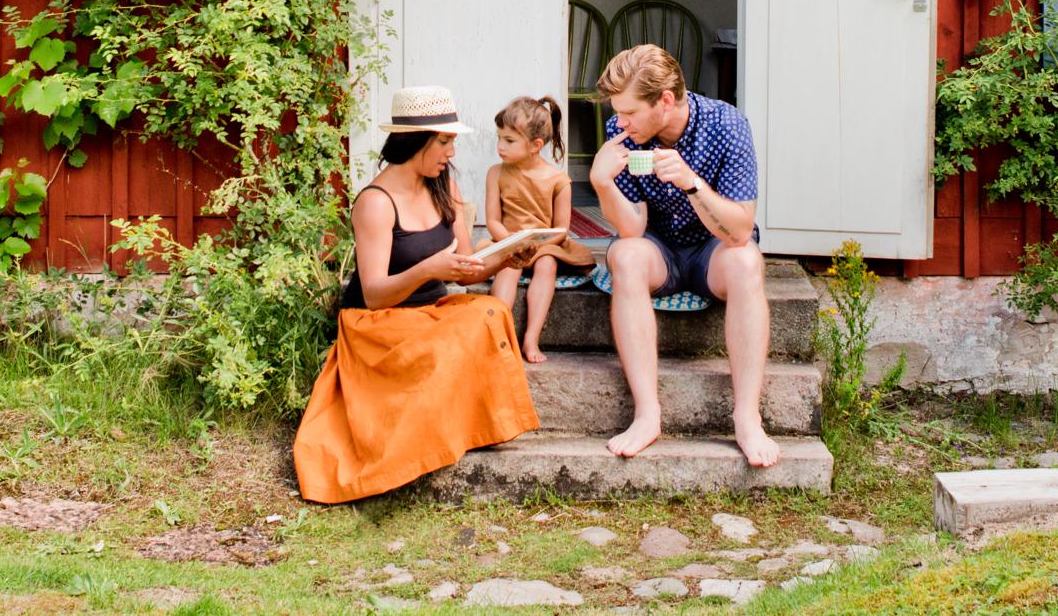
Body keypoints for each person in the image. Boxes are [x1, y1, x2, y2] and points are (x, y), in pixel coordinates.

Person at [292, 86, 540, 503]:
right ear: (416, 140)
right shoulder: (375, 201)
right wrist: (427, 269)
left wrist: (509, 259)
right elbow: (372, 295)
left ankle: (473, 427)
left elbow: (464, 269)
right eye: (444, 142)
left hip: (430, 310)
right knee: (449, 337)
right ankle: (429, 440)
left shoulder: (444, 188)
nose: (451, 153)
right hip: (378, 321)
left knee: (491, 312)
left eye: (451, 142)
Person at [587, 44, 776, 469]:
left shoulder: (726, 124)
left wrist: (692, 184)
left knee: (747, 260)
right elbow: (632, 228)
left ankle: (747, 418)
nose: (621, 121)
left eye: (631, 111)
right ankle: (647, 414)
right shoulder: (622, 130)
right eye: (618, 111)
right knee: (625, 256)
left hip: (715, 252)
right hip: (659, 250)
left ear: (666, 101)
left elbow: (740, 229)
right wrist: (602, 184)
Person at [483, 95, 595, 363]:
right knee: (509, 267)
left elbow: (561, 230)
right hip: (509, 240)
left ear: (536, 145)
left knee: (547, 264)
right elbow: (493, 221)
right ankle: (502, 333)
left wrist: (538, 242)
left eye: (509, 140)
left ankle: (531, 338)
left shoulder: (558, 180)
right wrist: (509, 242)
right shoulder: (496, 173)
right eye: (499, 138)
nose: (501, 146)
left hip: (545, 245)